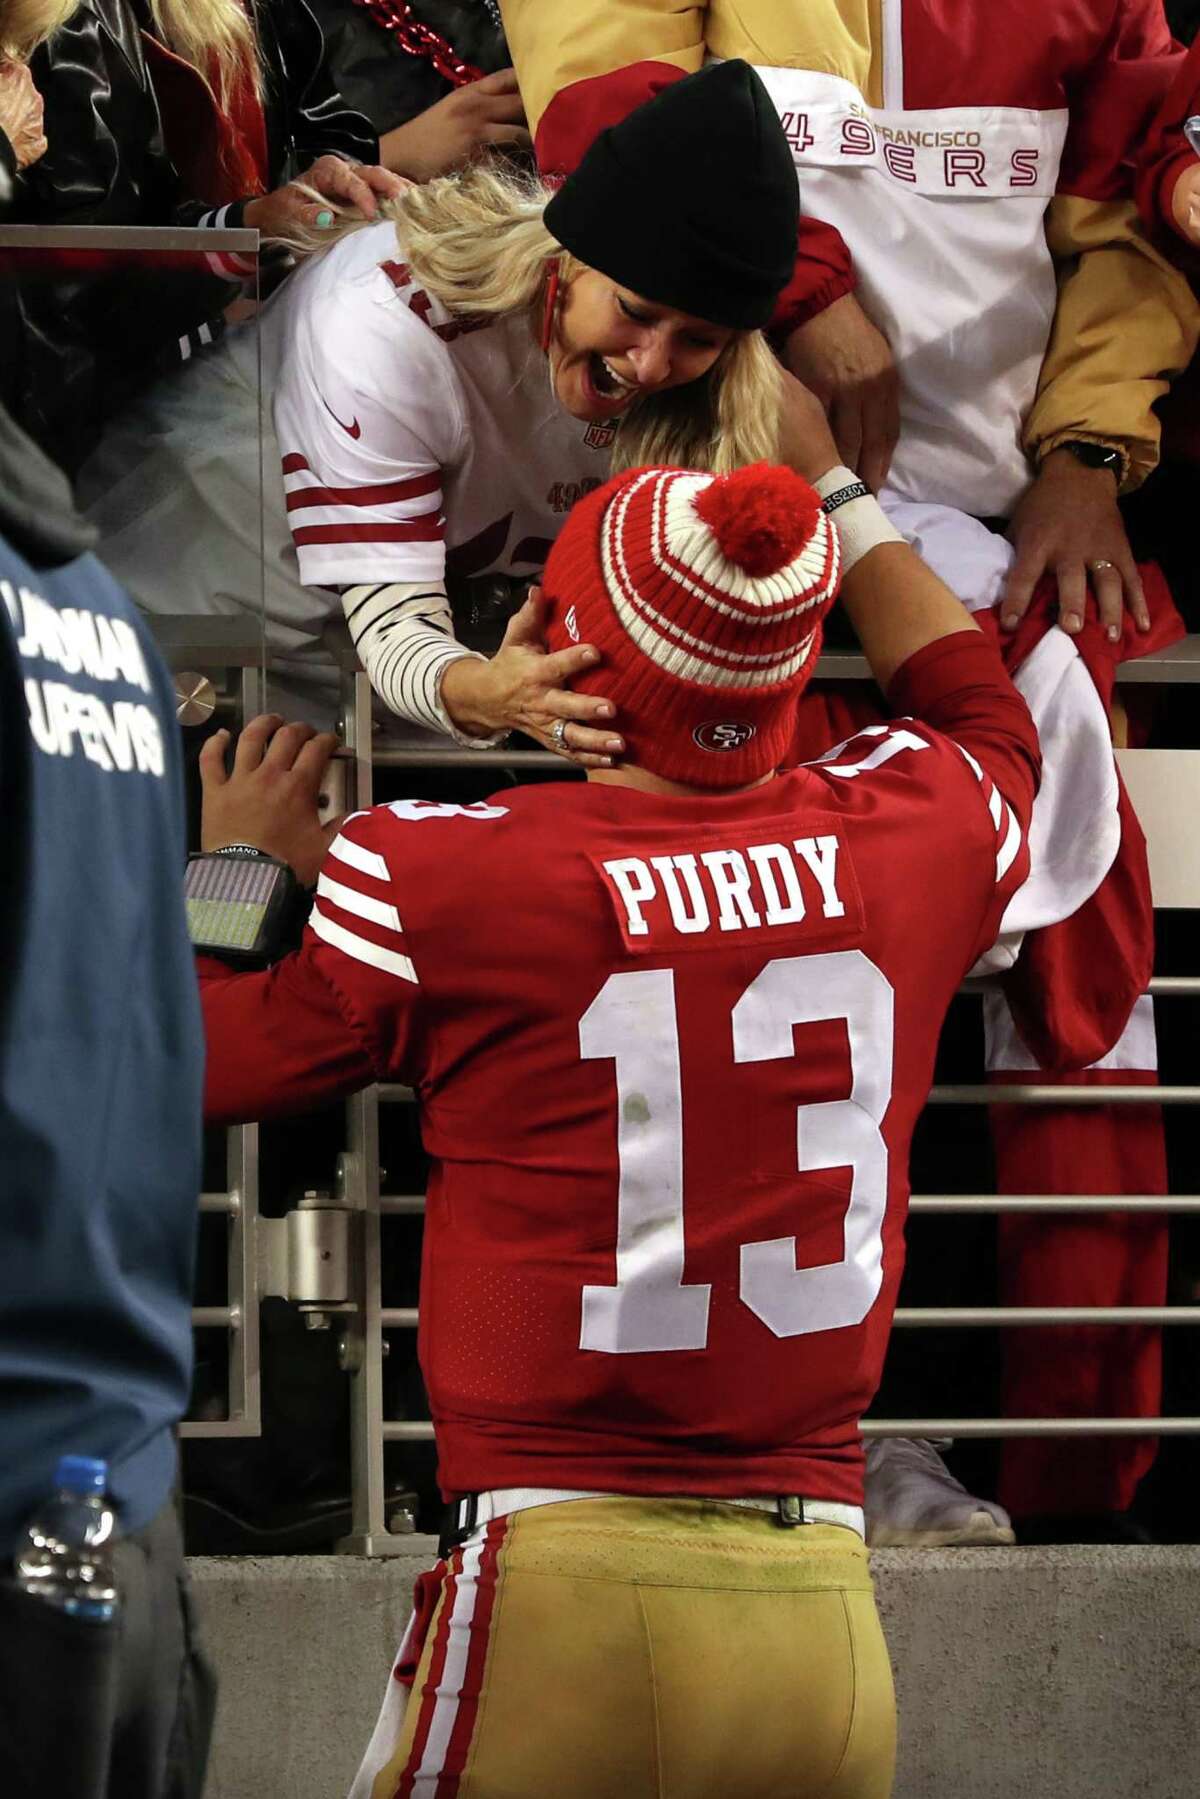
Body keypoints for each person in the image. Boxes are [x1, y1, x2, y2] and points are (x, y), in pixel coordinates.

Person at [192, 398, 1040, 1792]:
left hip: (564, 1588)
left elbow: (201, 1062)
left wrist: (233, 871)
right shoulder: (917, 827)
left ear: (578, 656)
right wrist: (829, 483)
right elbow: (977, 702)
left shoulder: (443, 871)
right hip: (824, 1621)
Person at [498, 0, 1194, 1543]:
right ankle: (685, 1446)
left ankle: (1012, 1460)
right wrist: (791, 293)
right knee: (721, 987)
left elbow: (1138, 218)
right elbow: (606, 116)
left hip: (979, 554)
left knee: (1017, 989)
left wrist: (1091, 458)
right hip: (695, 516)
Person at [81, 60, 796, 755]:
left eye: (699, 339)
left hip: (351, 663)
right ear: (566, 259)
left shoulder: (733, 387)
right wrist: (491, 695)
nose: (651, 363)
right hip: (159, 618)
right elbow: (396, 629)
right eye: (635, 311)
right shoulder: (385, 318)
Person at [0, 381, 212, 1790]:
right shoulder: (99, 611)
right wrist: (248, 866)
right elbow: (154, 993)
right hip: (120, 1516)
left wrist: (246, 871)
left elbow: (251, 1040)